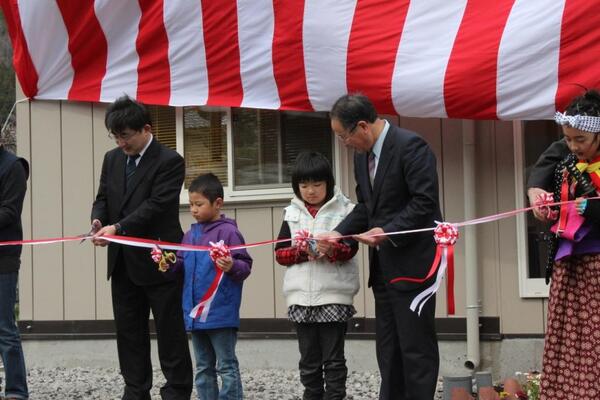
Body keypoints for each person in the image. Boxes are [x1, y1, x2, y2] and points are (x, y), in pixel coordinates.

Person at [317, 94, 442, 400]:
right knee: (388, 348)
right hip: (383, 268)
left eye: (343, 136)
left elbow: (424, 203)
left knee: (416, 348)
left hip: (414, 264)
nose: (344, 143)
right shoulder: (362, 156)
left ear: (362, 126)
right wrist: (338, 233)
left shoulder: (411, 146)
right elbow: (367, 208)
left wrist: (387, 232)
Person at [91, 96, 193, 400]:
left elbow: (157, 206)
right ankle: (135, 391)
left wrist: (118, 228)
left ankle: (176, 391)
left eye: (126, 135)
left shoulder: (169, 160)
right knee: (128, 332)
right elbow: (103, 198)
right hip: (122, 260)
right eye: (115, 135)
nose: (121, 142)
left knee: (169, 330)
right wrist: (98, 221)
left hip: (160, 258)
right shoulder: (112, 159)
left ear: (145, 129)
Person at [528, 89, 600, 399]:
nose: (572, 145)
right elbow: (545, 167)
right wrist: (541, 198)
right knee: (567, 332)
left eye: (580, 140)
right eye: (568, 139)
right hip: (570, 259)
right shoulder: (567, 157)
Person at [274, 152, 359, 400]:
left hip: (334, 295)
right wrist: (301, 251)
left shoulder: (345, 210)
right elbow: (280, 253)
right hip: (300, 297)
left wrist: (332, 249)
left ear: (329, 183)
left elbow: (351, 249)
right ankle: (311, 395)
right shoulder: (290, 213)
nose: (310, 191)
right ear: (296, 187)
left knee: (333, 359)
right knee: (308, 359)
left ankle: (335, 396)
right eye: (304, 185)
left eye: (317, 184)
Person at [172, 173, 252, 400]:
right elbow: (180, 264)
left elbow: (245, 265)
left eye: (199, 204)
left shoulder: (229, 232)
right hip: (195, 313)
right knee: (203, 366)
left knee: (226, 365)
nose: (194, 210)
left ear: (218, 203)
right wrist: (167, 264)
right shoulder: (189, 235)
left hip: (221, 312)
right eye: (191, 205)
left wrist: (231, 265)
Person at [0, 139, 29, 400]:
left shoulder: (13, 167)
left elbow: (9, 212)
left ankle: (16, 391)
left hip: (3, 259)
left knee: (4, 328)